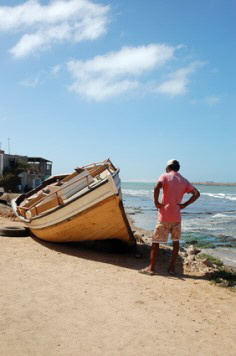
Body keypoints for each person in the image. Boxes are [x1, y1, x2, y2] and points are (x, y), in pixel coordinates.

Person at [139, 159, 200, 276]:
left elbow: (157, 187)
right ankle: (171, 269)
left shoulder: (165, 176)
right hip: (176, 217)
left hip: (164, 216)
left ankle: (151, 268)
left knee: (156, 242)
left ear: (168, 168)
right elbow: (197, 194)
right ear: (178, 168)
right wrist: (184, 205)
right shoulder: (184, 180)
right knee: (175, 242)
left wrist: (156, 202)